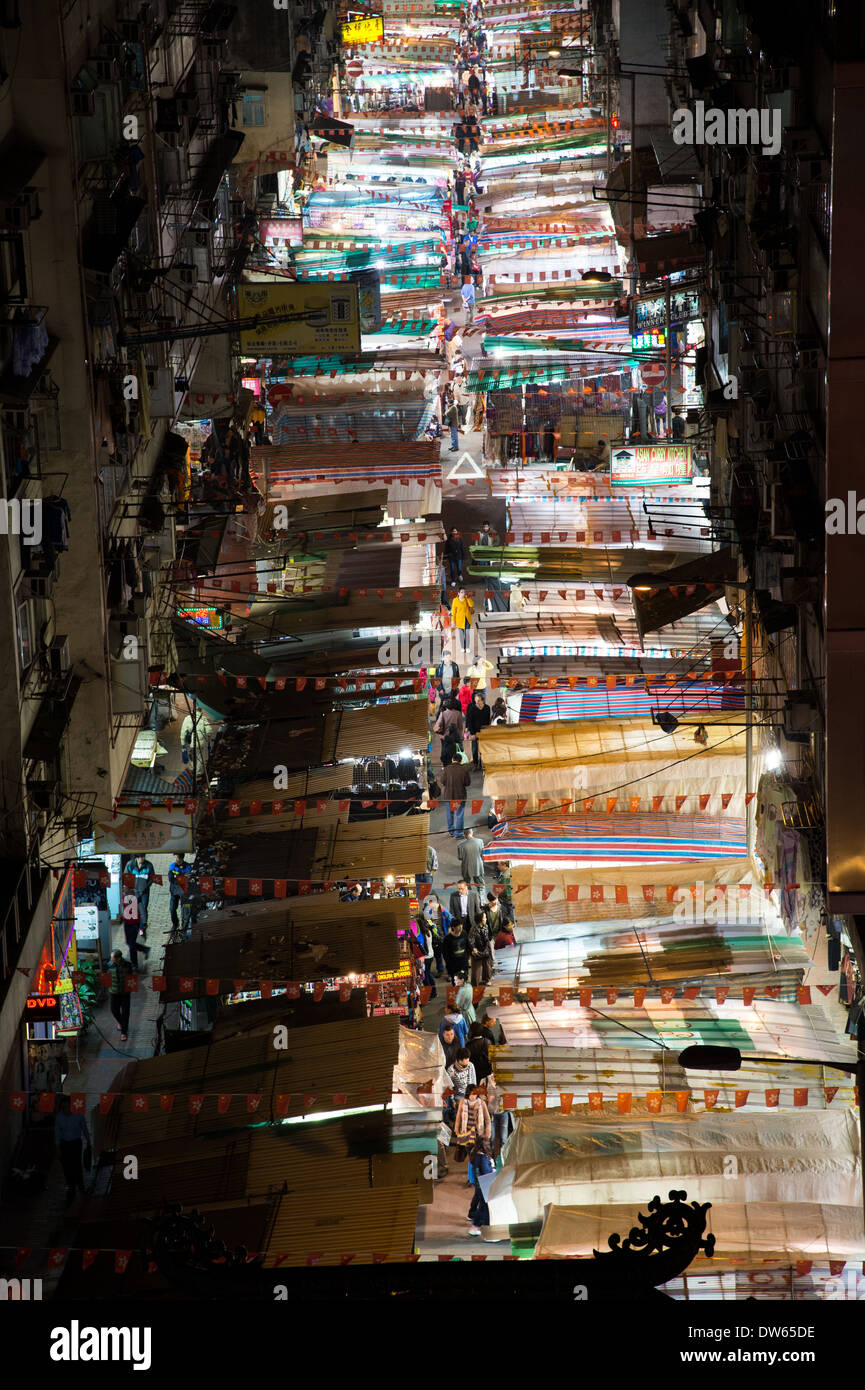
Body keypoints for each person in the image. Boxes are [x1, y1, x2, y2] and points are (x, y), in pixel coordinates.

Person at [54, 1094, 91, 1207]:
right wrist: (58, 1148)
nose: (65, 1110)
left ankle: (80, 1186)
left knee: (76, 1164)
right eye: (63, 1108)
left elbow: (84, 1128)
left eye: (67, 1107)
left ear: (72, 1106)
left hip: (76, 1143)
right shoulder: (59, 1117)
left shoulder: (78, 1115)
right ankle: (71, 1187)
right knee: (67, 1166)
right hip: (65, 1144)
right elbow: (57, 1134)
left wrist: (88, 1141)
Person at [440, 757, 471, 839]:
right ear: (461, 761)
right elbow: (467, 783)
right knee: (460, 815)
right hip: (460, 796)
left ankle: (451, 831)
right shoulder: (464, 769)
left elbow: (442, 781)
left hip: (448, 796)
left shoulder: (446, 769)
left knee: (449, 814)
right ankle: (459, 833)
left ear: (452, 760)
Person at [108, 948, 134, 1041]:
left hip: (125, 993)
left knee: (125, 1012)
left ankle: (124, 1032)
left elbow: (131, 977)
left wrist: (131, 988)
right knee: (114, 1010)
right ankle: (121, 1022)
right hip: (114, 992)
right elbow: (105, 977)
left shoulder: (127, 965)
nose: (111, 960)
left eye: (113, 958)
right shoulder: (109, 966)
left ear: (118, 958)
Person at [121, 891, 150, 972]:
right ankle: (145, 950)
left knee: (131, 944)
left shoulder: (136, 896)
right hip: (127, 922)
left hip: (134, 923)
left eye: (125, 887)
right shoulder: (123, 895)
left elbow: (141, 909)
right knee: (129, 942)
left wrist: (144, 922)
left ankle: (134, 964)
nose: (124, 888)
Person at [422, 893, 450, 974]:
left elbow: (450, 918)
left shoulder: (443, 909)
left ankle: (449, 972)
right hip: (434, 937)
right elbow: (426, 922)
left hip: (444, 935)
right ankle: (440, 970)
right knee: (438, 955)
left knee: (446, 955)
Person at [466, 690, 491, 769]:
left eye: (478, 701)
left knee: (483, 749)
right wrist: (472, 733)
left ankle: (481, 763)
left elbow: (487, 721)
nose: (477, 702)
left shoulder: (487, 708)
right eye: (475, 700)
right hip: (474, 732)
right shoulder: (472, 708)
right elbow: (469, 721)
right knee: (474, 749)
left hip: (483, 732)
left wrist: (486, 731)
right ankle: (475, 764)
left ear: (482, 700)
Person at [130, 853, 155, 930]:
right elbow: (126, 877)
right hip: (134, 892)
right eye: (141, 857)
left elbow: (152, 878)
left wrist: (146, 887)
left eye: (143, 857)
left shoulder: (149, 865)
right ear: (136, 858)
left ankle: (142, 927)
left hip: (144, 892)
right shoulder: (130, 865)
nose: (143, 859)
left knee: (143, 908)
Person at [467, 914, 492, 988]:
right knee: (476, 969)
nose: (486, 919)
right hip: (477, 950)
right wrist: (473, 948)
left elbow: (487, 938)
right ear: (481, 920)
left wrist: (487, 948)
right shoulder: (473, 929)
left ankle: (486, 979)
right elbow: (471, 940)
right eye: (484, 918)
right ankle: (475, 984)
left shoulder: (486, 926)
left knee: (487, 966)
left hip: (485, 949)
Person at [168, 851, 189, 932]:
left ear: (181, 858)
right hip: (174, 891)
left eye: (177, 857)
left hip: (184, 892)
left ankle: (184, 927)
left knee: (185, 909)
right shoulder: (172, 866)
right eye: (175, 857)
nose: (175, 859)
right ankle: (175, 924)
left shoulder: (187, 867)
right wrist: (179, 879)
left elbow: (187, 879)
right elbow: (170, 878)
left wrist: (177, 878)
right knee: (172, 909)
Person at [451, 586, 474, 652]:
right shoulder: (455, 600)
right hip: (459, 620)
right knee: (461, 634)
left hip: (467, 619)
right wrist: (453, 621)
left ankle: (467, 647)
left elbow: (471, 605)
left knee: (467, 633)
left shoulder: (466, 599)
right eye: (461, 592)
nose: (463, 593)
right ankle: (462, 647)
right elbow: (453, 611)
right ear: (458, 593)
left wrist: (468, 598)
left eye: (464, 592)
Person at [444, 387, 460, 452]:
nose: (447, 403)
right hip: (453, 424)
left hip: (454, 424)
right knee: (453, 436)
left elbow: (447, 413)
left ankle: (455, 447)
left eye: (447, 402)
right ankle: (453, 446)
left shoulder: (453, 407)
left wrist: (445, 412)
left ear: (450, 403)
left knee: (454, 436)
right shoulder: (452, 406)